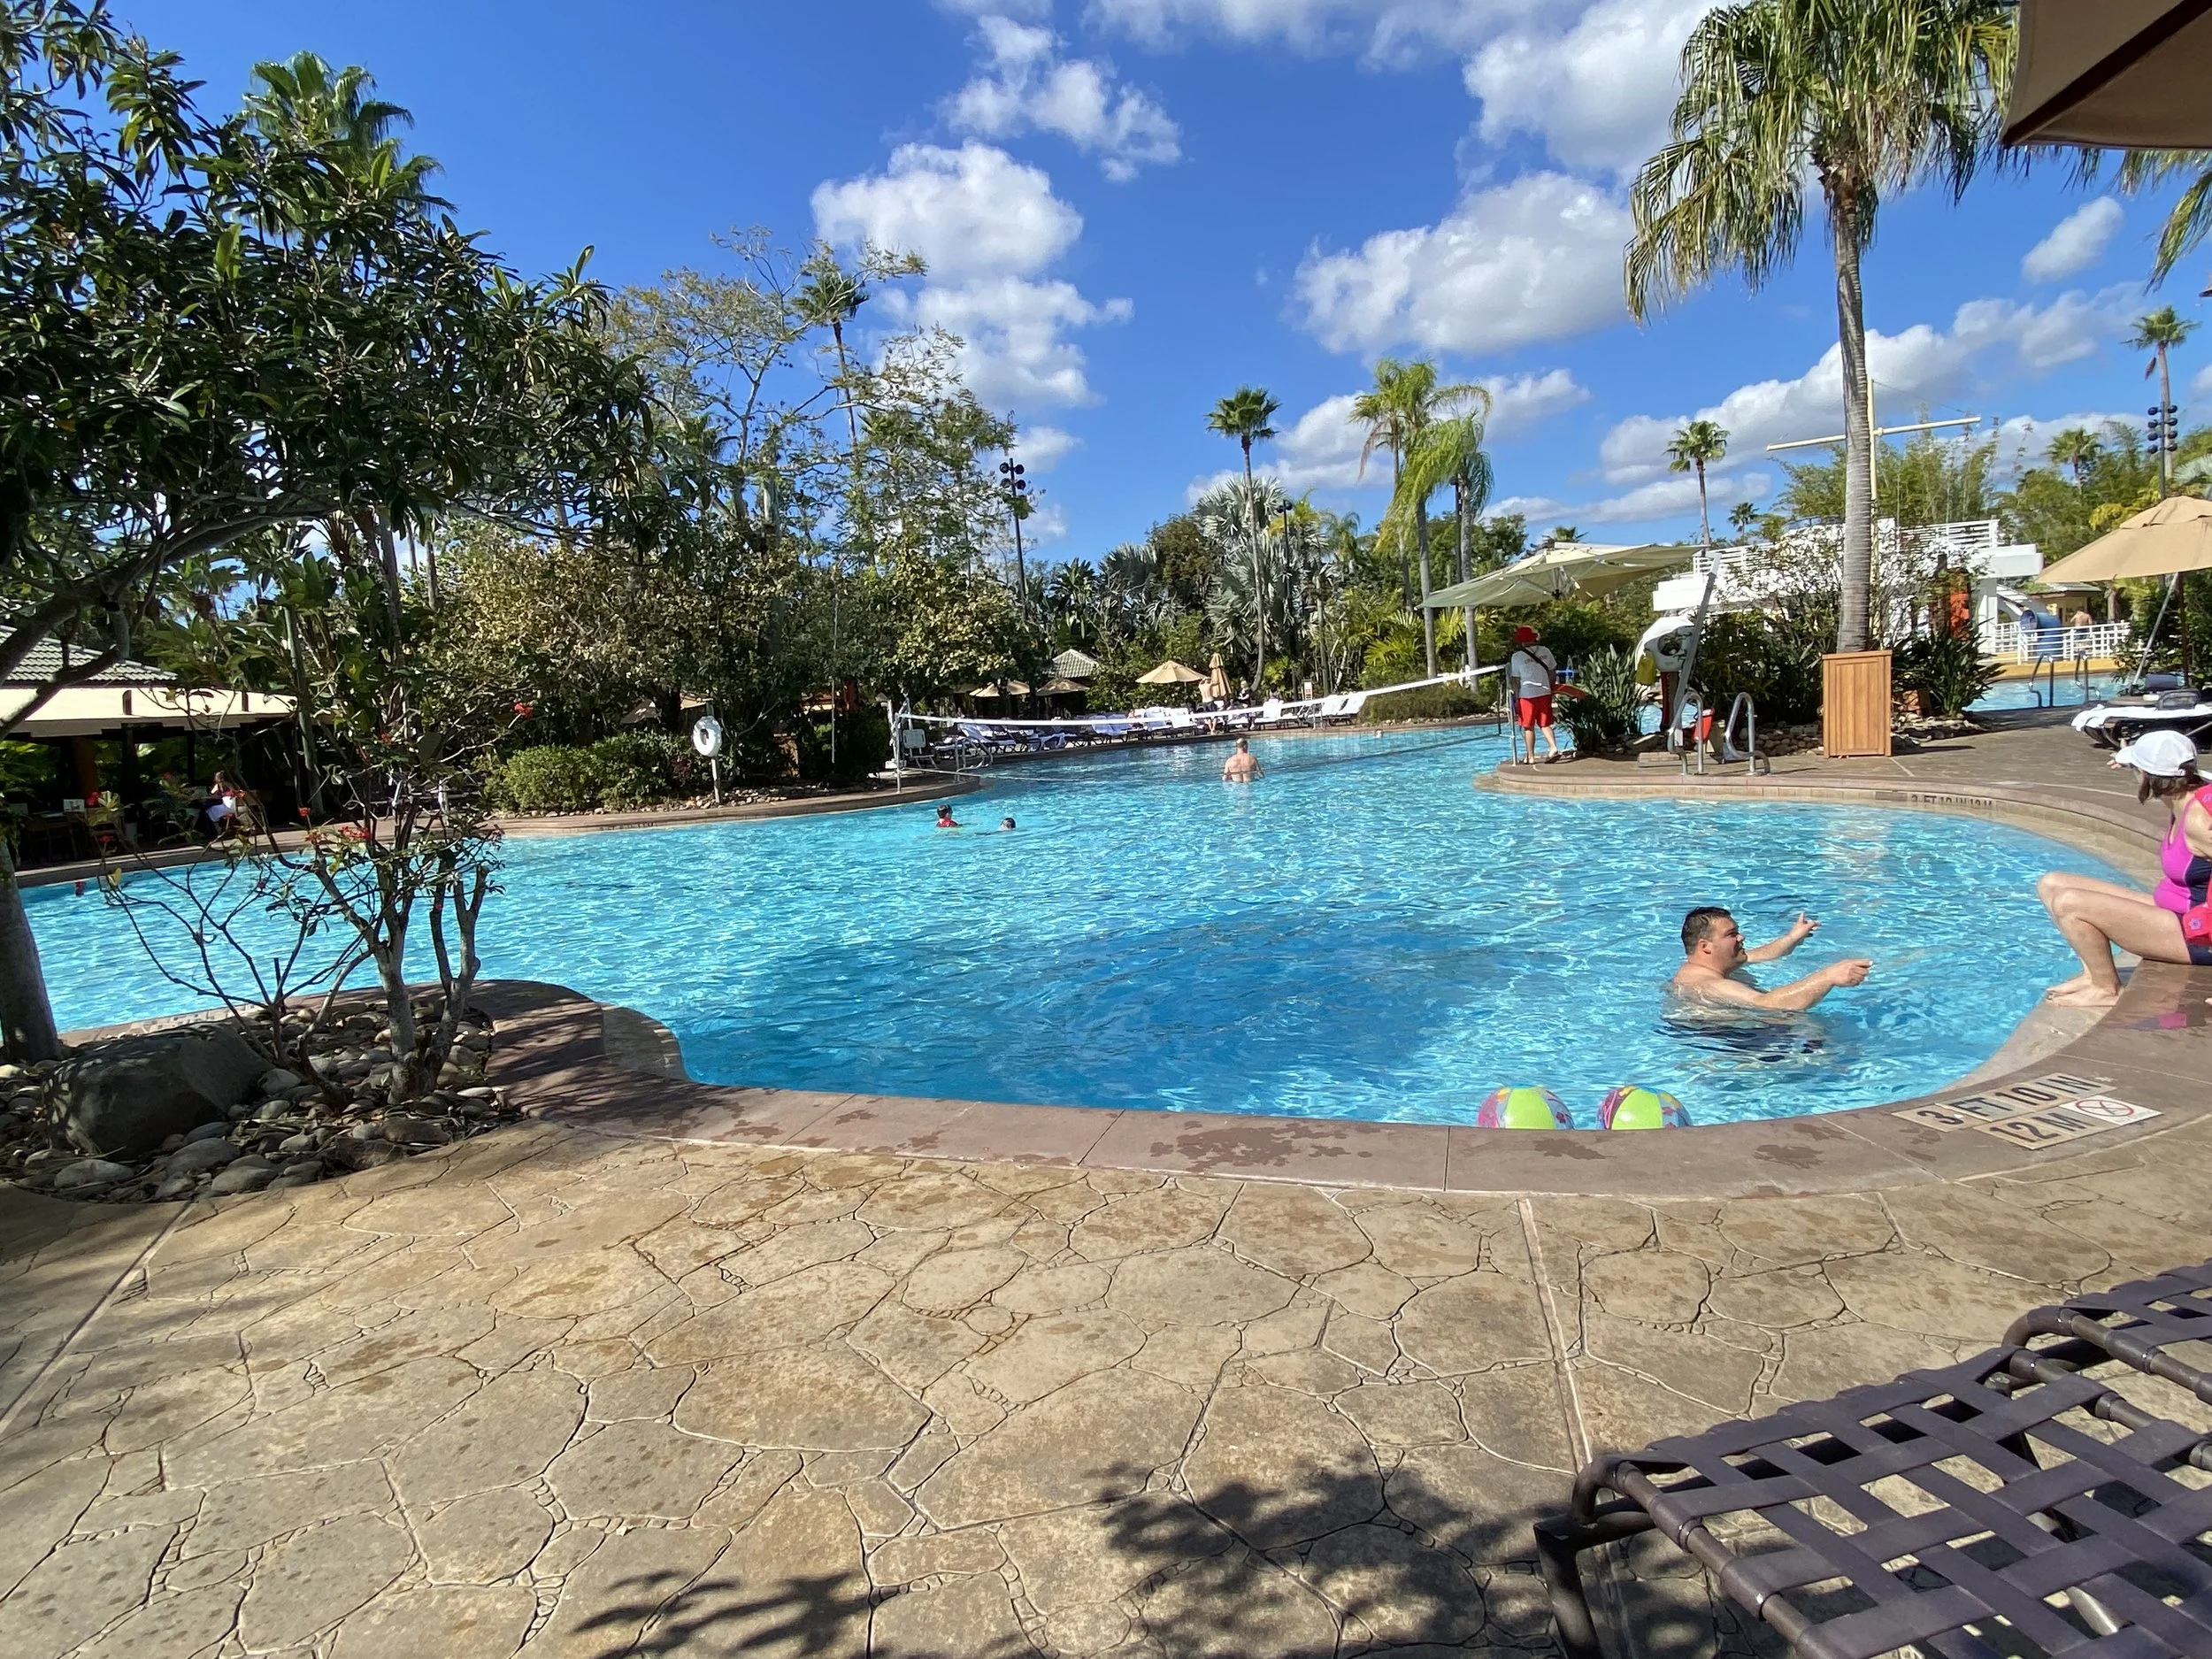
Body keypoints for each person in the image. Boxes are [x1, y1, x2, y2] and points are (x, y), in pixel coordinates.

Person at [2036, 730, 2212, 1008]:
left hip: (2198, 934)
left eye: (2135, 769)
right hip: (2174, 912)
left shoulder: (2198, 821)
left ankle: (2106, 989)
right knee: (2052, 883)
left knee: (2071, 903)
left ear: (2146, 775)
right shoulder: (2185, 797)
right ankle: (2093, 975)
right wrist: (2127, 757)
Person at [1671, 906, 1872, 1010]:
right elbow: (1769, 1004)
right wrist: (1829, 976)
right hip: (1735, 1045)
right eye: (1731, 934)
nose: (1742, 937)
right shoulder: (1708, 985)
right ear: (1705, 946)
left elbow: (1763, 954)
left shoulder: (1718, 965)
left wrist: (1793, 937)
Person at [1508, 626, 1563, 764]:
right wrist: (1549, 686)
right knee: (1545, 724)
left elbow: (1516, 679)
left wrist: (1516, 696)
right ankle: (1553, 747)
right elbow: (1552, 670)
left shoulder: (1517, 657)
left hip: (1527, 695)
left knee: (1528, 725)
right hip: (1545, 692)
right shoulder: (1545, 651)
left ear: (1521, 641)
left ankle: (1530, 757)